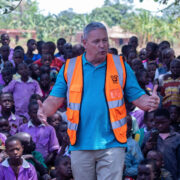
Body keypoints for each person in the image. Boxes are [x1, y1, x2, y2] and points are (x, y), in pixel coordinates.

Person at [38, 22, 160, 180]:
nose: (102, 45)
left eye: (105, 40)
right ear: (84, 43)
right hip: (80, 144)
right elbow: (54, 99)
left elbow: (137, 96)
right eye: (96, 42)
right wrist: (44, 110)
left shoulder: (120, 65)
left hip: (112, 144)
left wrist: (150, 102)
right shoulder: (70, 67)